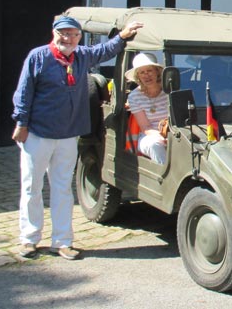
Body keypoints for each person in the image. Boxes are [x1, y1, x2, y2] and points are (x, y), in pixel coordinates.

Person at [12, 15, 143, 261]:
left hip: (68, 135)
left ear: (79, 37)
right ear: (54, 33)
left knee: (62, 188)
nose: (68, 38)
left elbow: (103, 50)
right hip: (38, 133)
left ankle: (62, 242)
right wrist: (21, 122)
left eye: (74, 34)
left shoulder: (81, 56)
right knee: (32, 188)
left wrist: (123, 36)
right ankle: (29, 239)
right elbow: (24, 91)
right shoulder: (38, 57)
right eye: (64, 33)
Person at [125, 53, 168, 164]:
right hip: (148, 136)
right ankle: (165, 177)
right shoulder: (134, 96)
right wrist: (160, 137)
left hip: (173, 133)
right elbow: (146, 128)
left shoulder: (169, 91)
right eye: (142, 72)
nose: (146, 75)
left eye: (149, 71)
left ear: (157, 72)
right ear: (138, 76)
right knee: (155, 145)